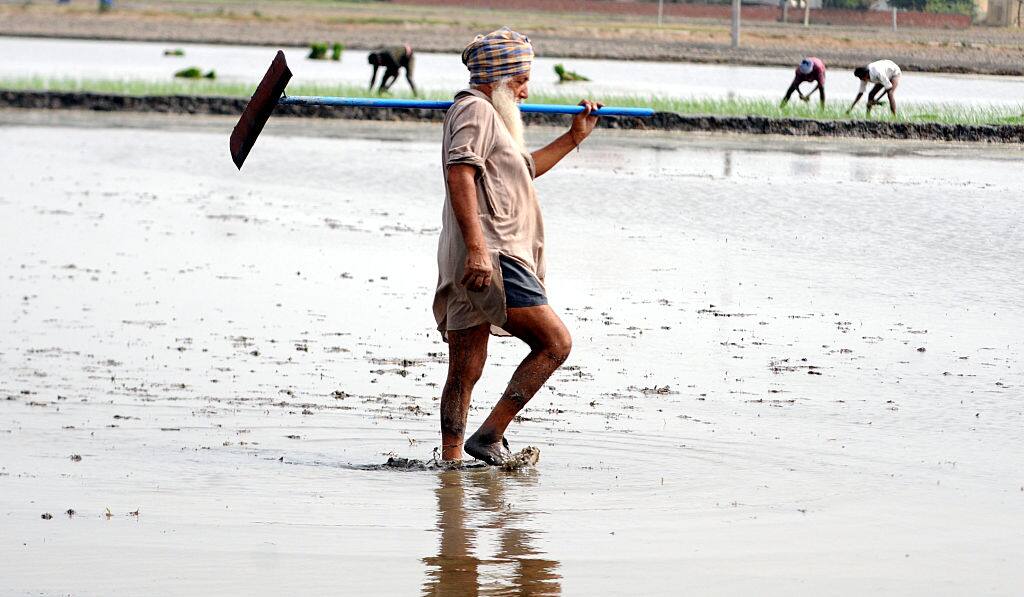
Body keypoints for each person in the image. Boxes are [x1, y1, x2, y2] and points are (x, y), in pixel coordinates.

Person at [433, 27, 603, 465]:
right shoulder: (476, 110)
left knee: (466, 367)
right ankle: (490, 435)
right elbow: (460, 172)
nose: (526, 91)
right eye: (521, 80)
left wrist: (573, 138)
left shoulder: (486, 114)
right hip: (494, 254)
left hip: (476, 256)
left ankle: (450, 463)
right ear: (499, 79)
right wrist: (478, 249)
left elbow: (522, 169)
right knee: (555, 343)